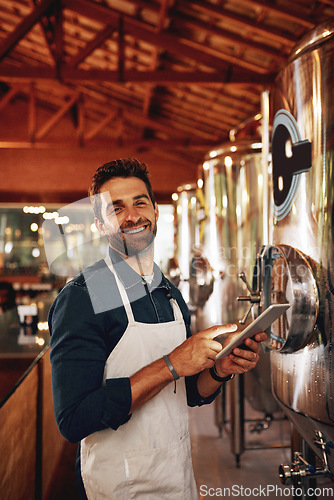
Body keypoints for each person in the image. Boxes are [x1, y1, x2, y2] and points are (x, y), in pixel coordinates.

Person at [48, 158, 266, 500]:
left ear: (156, 212)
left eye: (140, 203)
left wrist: (220, 370)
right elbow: (74, 419)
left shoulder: (166, 290)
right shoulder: (84, 297)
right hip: (118, 486)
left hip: (177, 477)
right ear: (100, 225)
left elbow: (187, 392)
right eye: (116, 208)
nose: (132, 216)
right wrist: (171, 364)